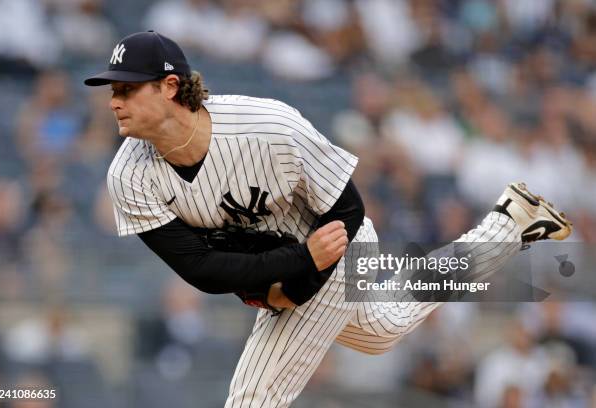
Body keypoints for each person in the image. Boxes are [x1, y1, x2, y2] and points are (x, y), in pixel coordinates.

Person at [84, 31, 572, 407]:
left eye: (127, 89)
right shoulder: (130, 176)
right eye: (112, 90)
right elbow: (201, 271)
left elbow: (349, 210)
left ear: (170, 87)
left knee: (254, 399)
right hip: (291, 260)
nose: (114, 101)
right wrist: (288, 273)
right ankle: (510, 225)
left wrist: (298, 278)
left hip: (339, 241)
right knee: (381, 329)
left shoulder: (267, 126)